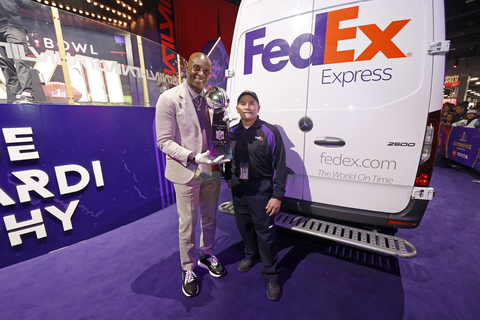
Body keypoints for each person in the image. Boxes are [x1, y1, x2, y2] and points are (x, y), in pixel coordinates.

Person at [155, 52, 229, 297]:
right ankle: (188, 268)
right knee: (187, 224)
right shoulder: (168, 99)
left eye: (206, 71)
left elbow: (217, 133)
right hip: (186, 169)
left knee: (210, 219)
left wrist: (226, 125)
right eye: (197, 68)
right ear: (187, 67)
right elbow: (164, 142)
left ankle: (206, 255)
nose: (201, 74)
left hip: (211, 169)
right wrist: (192, 156)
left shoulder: (213, 99)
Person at [224, 90, 287, 301]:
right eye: (243, 103)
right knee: (245, 227)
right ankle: (250, 255)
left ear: (258, 108)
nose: (247, 107)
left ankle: (271, 274)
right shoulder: (231, 132)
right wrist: (228, 180)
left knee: (266, 234)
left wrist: (277, 195)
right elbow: (226, 160)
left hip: (262, 191)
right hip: (239, 190)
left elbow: (280, 165)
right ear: (237, 108)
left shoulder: (270, 131)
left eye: (252, 103)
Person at [0, 0, 34, 103]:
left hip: (13, 26)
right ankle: (17, 93)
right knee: (4, 63)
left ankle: (27, 93)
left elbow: (28, 5)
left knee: (20, 59)